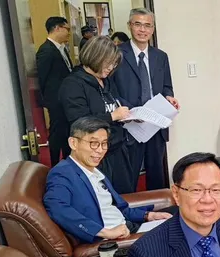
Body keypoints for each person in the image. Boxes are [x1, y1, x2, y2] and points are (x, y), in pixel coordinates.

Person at [43, 117, 172, 243]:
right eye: (93, 143)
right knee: (177, 230)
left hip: (128, 226)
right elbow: (57, 208)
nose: (100, 150)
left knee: (176, 212)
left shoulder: (93, 170)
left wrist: (148, 215)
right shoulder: (62, 173)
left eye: (104, 144)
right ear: (73, 143)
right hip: (116, 238)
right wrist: (104, 232)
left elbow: (118, 208)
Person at [112, 8, 179, 191]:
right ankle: (128, 209)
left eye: (147, 25)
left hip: (155, 124)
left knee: (157, 175)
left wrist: (169, 97)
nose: (143, 30)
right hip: (129, 124)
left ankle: (159, 208)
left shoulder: (161, 56)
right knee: (128, 178)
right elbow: (111, 89)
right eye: (138, 24)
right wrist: (133, 112)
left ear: (153, 28)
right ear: (129, 26)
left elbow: (167, 86)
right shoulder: (117, 54)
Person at [59, 36, 135, 194]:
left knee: (126, 196)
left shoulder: (105, 80)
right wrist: (112, 116)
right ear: (95, 57)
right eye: (108, 63)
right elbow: (79, 121)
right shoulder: (73, 84)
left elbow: (115, 102)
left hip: (117, 150)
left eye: (114, 64)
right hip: (95, 155)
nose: (111, 68)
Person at [36, 16, 73, 165]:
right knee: (57, 134)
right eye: (67, 29)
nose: (69, 32)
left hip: (65, 99)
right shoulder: (46, 50)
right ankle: (55, 164)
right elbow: (42, 78)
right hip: (55, 101)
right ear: (57, 28)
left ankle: (67, 162)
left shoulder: (61, 48)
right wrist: (49, 101)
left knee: (66, 132)